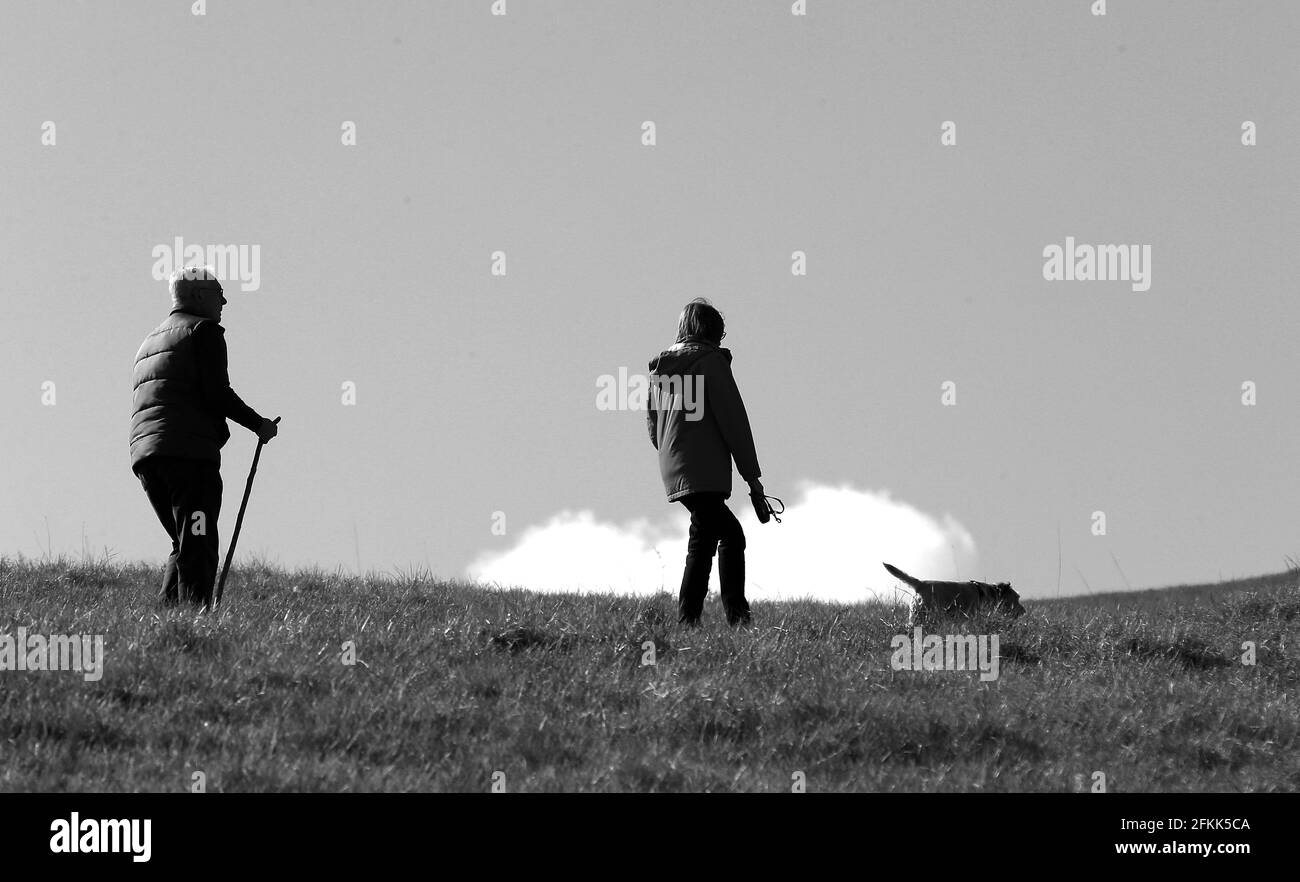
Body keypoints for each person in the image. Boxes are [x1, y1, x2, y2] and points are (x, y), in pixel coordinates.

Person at [129, 266, 278, 608]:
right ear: (197, 295)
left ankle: (169, 623)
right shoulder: (202, 331)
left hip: (149, 459)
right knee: (199, 538)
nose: (224, 301)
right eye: (217, 292)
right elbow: (217, 393)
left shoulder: (149, 341)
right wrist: (258, 424)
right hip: (189, 457)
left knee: (185, 540)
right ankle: (195, 620)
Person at [646, 298, 764, 626]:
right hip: (704, 467)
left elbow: (654, 428)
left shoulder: (660, 371)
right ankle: (732, 619)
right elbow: (734, 423)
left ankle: (692, 621)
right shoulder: (712, 363)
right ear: (714, 333)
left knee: (708, 537)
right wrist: (752, 479)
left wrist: (673, 452)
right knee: (726, 536)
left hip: (673, 467)